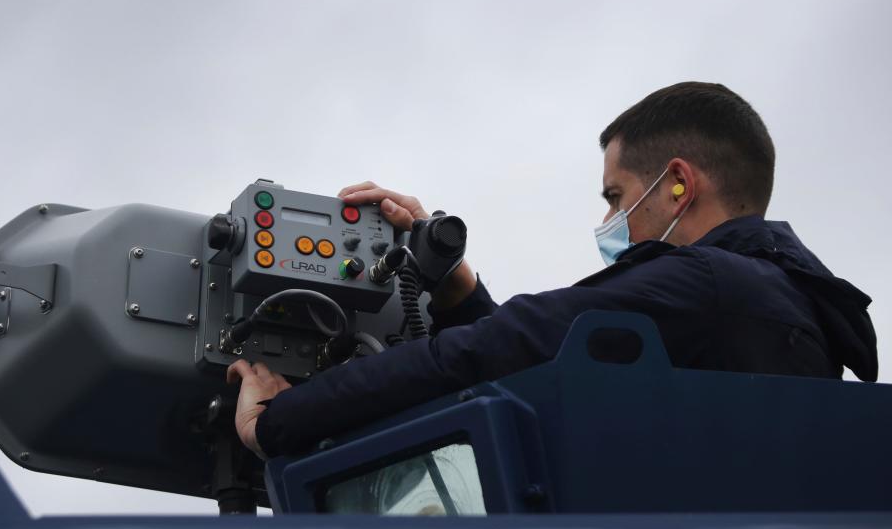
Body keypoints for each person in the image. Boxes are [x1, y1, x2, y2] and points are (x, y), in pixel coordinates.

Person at [227, 82, 879, 460]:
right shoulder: (795, 316)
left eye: (616, 197)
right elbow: (550, 370)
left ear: (677, 185)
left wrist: (279, 422)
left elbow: (485, 355)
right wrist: (458, 286)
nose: (611, 220)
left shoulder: (704, 285)